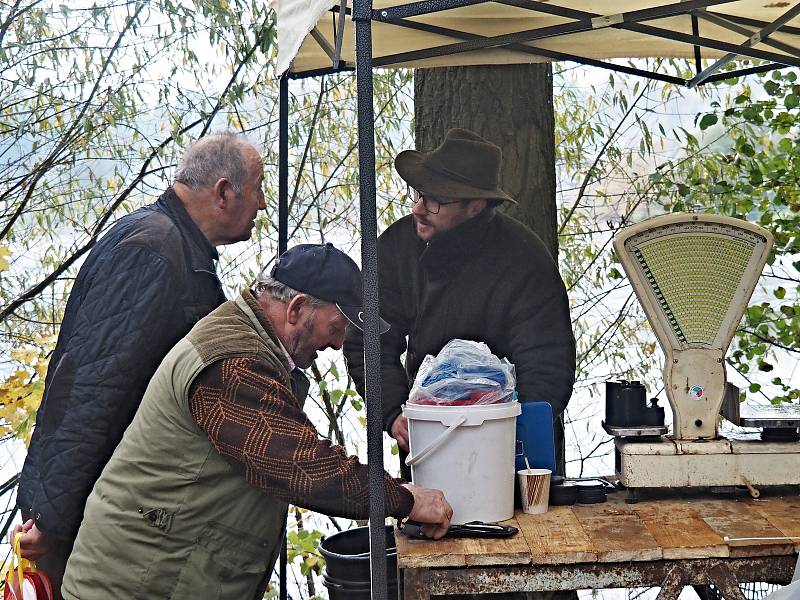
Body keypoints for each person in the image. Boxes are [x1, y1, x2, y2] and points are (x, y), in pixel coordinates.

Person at [60, 243, 452, 600]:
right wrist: (404, 498)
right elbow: (300, 466)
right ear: (296, 308)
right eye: (335, 329)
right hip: (137, 583)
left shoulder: (253, 347)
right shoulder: (232, 363)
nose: (336, 344)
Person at [12, 132, 267, 599]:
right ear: (225, 191)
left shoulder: (172, 246)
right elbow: (93, 385)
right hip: (88, 516)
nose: (264, 204)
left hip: (109, 503)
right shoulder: (153, 251)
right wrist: (52, 516)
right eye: (258, 189)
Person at [343, 128, 576, 480]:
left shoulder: (525, 261)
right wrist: (392, 413)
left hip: (510, 443)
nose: (419, 208)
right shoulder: (396, 247)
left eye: (435, 200)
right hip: (427, 437)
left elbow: (547, 363)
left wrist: (503, 439)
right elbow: (368, 341)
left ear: (476, 206)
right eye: (419, 194)